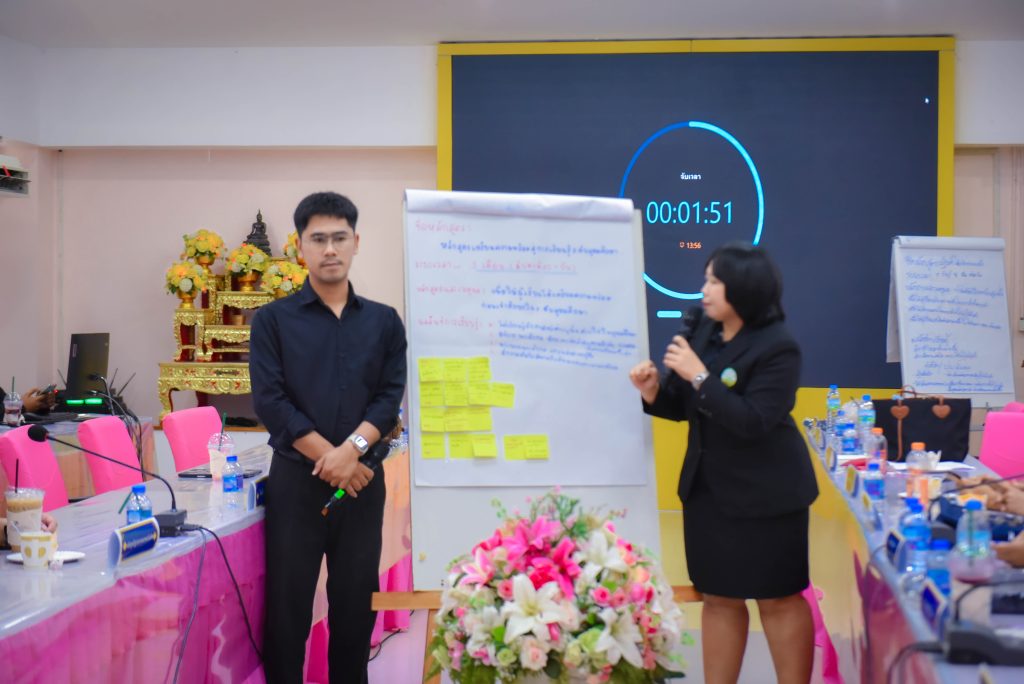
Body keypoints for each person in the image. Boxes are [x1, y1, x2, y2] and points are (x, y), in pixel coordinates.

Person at [629, 242, 819, 684]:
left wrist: (699, 375)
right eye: (706, 279)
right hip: (709, 494)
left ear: (744, 288)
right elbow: (687, 405)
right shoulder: (704, 332)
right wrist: (653, 391)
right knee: (719, 598)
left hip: (768, 498)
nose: (704, 290)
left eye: (714, 281)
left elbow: (753, 421)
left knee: (778, 599)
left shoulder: (779, 347)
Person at [249, 191, 407, 684]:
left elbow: (388, 398)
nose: (330, 249)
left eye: (340, 237)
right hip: (297, 485)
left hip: (361, 486)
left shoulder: (383, 321)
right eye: (318, 239)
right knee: (288, 611)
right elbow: (271, 402)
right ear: (300, 247)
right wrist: (334, 460)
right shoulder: (272, 321)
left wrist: (352, 453)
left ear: (357, 242)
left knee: (355, 609)